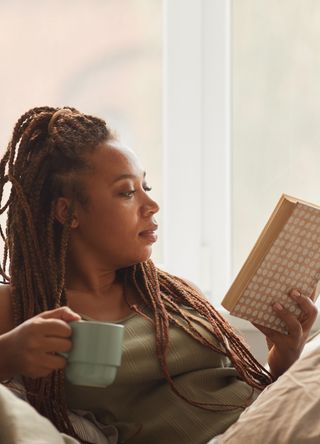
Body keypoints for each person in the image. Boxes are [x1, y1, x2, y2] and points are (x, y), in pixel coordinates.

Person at [0, 106, 317, 444]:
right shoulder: (19, 306)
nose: (151, 205)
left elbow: (245, 396)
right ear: (69, 211)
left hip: (259, 425)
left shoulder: (175, 293)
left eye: (146, 186)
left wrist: (284, 359)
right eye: (126, 192)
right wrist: (6, 354)